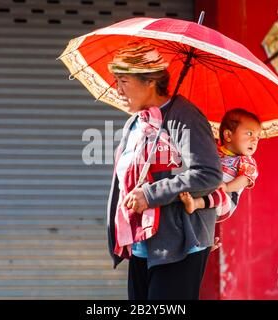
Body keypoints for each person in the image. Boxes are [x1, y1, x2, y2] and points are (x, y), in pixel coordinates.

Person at [106, 41, 223, 300]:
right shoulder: (135, 123)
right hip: (142, 242)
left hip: (179, 242)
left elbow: (209, 173)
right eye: (116, 81)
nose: (118, 90)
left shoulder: (185, 117)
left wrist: (151, 194)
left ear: (150, 82)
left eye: (123, 81)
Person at [179, 109, 261, 221]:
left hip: (226, 202)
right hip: (208, 188)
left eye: (258, 137)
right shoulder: (214, 150)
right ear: (228, 135)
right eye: (249, 133)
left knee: (219, 194)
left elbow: (245, 179)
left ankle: (196, 203)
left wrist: (227, 187)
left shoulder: (245, 161)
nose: (254, 140)